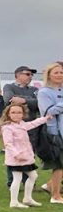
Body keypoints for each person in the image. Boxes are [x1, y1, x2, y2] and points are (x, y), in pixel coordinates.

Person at [0, 103, 51, 208]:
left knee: (33, 176)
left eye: (19, 112)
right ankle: (14, 202)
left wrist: (45, 119)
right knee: (17, 178)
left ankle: (27, 198)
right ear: (8, 114)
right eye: (13, 112)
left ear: (23, 114)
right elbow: (8, 144)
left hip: (26, 157)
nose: (16, 115)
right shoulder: (7, 128)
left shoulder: (22, 125)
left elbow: (33, 123)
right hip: (16, 158)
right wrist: (17, 154)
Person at [37, 62, 63, 204]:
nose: (59, 75)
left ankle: (49, 186)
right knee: (58, 164)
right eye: (56, 72)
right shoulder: (44, 92)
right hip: (54, 132)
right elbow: (49, 112)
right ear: (49, 75)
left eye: (61, 72)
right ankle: (56, 196)